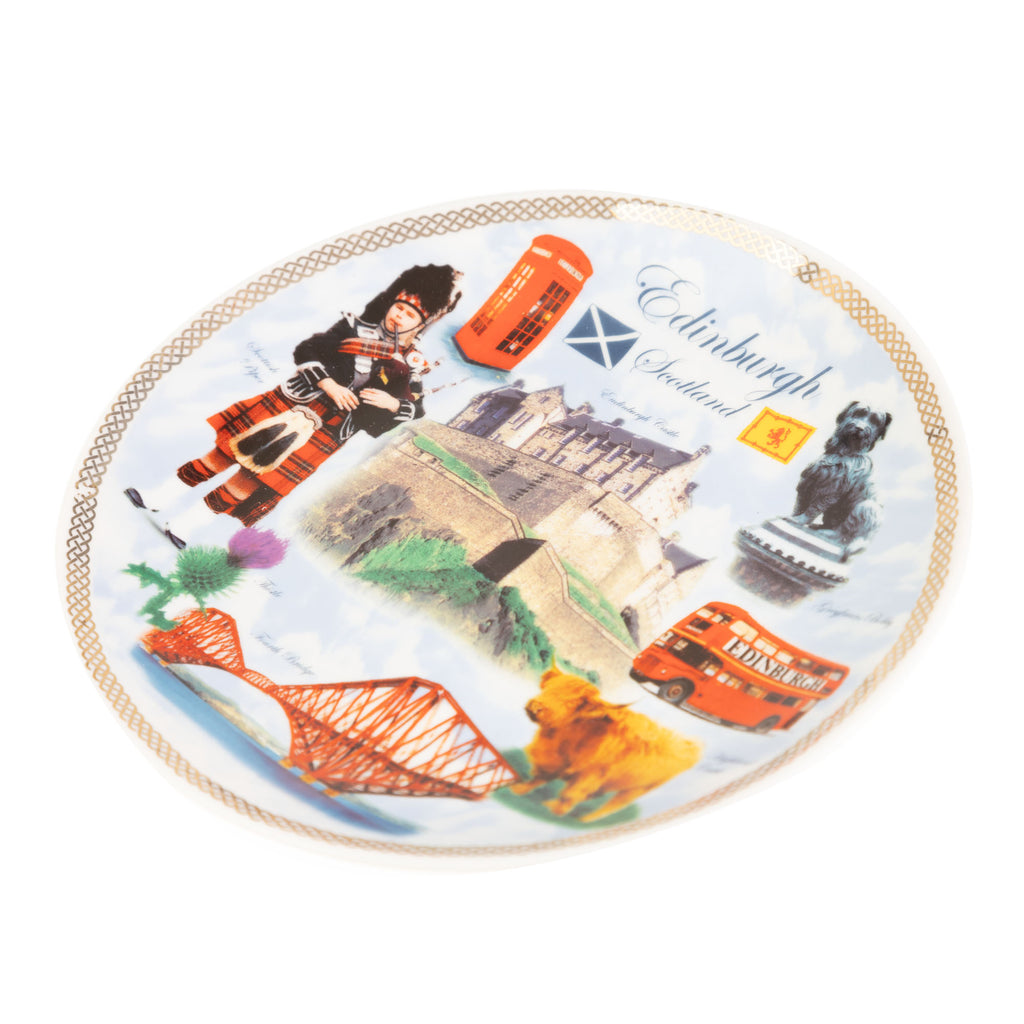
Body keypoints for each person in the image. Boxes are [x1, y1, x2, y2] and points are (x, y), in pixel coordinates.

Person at [127, 264, 462, 540]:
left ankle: (186, 525)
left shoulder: (412, 363)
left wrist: (391, 404)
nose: (400, 316)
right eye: (399, 307)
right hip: (293, 401)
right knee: (224, 453)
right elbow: (308, 350)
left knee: (254, 479)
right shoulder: (352, 327)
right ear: (390, 304)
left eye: (409, 314)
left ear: (423, 322)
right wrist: (328, 384)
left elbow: (416, 409)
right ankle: (158, 496)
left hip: (331, 429)